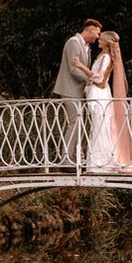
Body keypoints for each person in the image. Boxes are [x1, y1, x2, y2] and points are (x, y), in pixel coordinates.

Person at [71, 30, 132, 168]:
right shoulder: (102, 55)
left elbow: (100, 80)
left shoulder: (106, 58)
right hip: (96, 93)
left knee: (101, 126)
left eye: (101, 39)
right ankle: (99, 161)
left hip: (99, 94)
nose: (98, 40)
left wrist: (81, 66)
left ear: (106, 42)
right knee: (98, 126)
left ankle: (101, 163)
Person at [53, 19, 102, 164]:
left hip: (78, 90)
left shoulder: (86, 46)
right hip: (69, 88)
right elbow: (73, 69)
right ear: (90, 29)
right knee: (74, 122)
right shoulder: (73, 42)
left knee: (78, 122)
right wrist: (90, 80)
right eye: (97, 33)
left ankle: (73, 157)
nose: (97, 37)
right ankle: (66, 159)